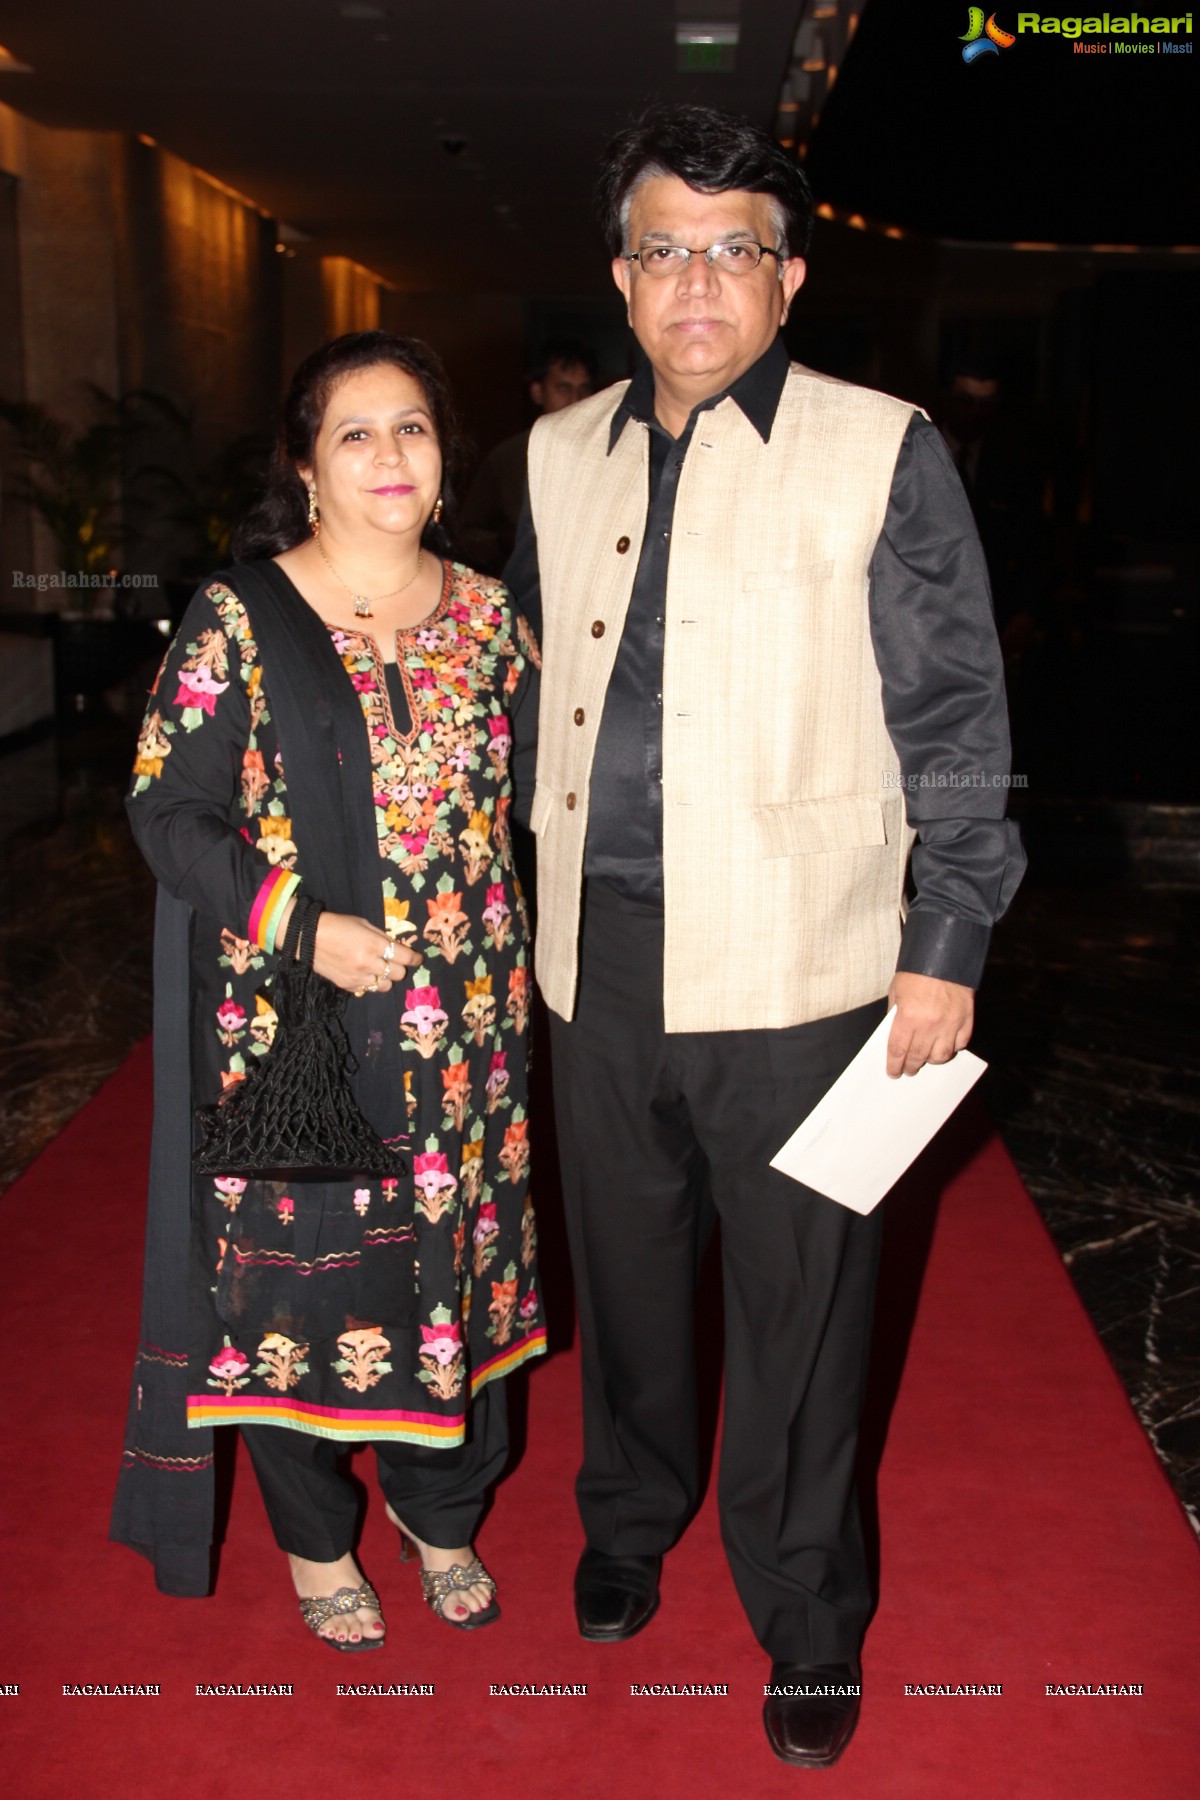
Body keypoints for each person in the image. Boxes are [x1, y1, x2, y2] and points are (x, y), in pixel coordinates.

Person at [504, 106, 1024, 1767]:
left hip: (807, 966)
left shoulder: (886, 445)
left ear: (789, 276)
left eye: (737, 246)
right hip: (602, 960)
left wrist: (948, 933)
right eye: (668, 245)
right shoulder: (551, 453)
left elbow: (953, 709)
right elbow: (528, 699)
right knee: (633, 1283)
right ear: (623, 274)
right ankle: (628, 1518)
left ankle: (807, 1611)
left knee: (803, 1317)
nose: (700, 277)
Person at [111, 330, 544, 1648]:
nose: (389, 455)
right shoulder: (240, 617)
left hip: (472, 1033)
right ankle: (314, 1542)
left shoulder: (490, 617)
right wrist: (305, 924)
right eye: (355, 432)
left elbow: (538, 805)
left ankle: (437, 1503)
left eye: (411, 426)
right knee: (304, 1287)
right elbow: (163, 812)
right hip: (298, 1023)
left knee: (455, 1265)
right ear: (306, 467)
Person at [459, 338, 598, 574]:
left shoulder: (606, 454)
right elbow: (467, 533)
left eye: (584, 389)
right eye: (563, 389)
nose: (576, 400)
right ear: (538, 392)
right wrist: (506, 543)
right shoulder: (509, 457)